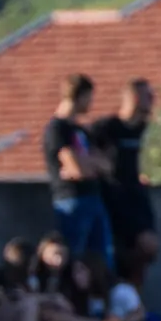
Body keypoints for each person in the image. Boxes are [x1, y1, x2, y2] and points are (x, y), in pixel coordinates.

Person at [41, 73, 113, 260]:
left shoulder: (81, 131)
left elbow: (107, 166)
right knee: (74, 256)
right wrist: (88, 164)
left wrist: (87, 163)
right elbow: (77, 169)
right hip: (72, 200)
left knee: (101, 259)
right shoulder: (57, 129)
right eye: (89, 97)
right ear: (80, 96)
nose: (91, 103)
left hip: (94, 198)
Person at [92, 78, 156, 265]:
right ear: (134, 97)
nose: (153, 100)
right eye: (148, 95)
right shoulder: (107, 128)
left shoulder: (145, 130)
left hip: (137, 196)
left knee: (149, 247)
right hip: (112, 196)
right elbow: (90, 154)